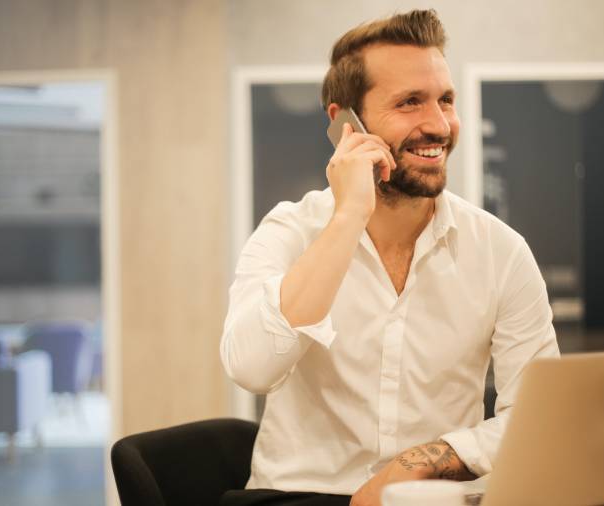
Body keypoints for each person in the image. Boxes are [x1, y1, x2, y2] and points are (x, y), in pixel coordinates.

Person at [220, 9, 559, 506]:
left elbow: (536, 417)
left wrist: (424, 460)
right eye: (410, 103)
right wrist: (348, 217)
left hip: (433, 498)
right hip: (299, 495)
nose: (439, 124)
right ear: (345, 124)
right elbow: (251, 368)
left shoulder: (500, 251)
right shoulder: (290, 231)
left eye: (445, 100)